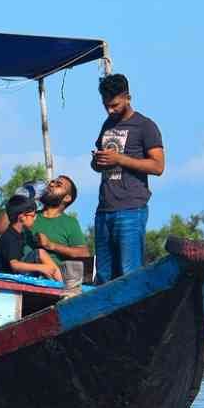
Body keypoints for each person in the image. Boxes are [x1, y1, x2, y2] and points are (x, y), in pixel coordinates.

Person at [91, 73, 165, 283]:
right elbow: (100, 163)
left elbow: (158, 166)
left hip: (131, 209)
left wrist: (119, 159)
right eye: (106, 105)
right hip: (104, 209)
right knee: (103, 275)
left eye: (114, 105)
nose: (110, 110)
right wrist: (97, 162)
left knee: (129, 273)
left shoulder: (145, 126)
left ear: (128, 97)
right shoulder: (107, 124)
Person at [0, 195, 63, 280]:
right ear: (22, 217)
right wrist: (41, 267)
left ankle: (60, 284)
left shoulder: (19, 235)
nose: (34, 219)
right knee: (40, 254)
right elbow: (15, 265)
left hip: (13, 275)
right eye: (32, 216)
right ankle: (60, 286)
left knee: (40, 253)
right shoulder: (10, 237)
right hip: (2, 277)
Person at [32, 176, 90, 266]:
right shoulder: (29, 215)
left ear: (67, 198)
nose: (51, 184)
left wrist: (51, 245)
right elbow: (1, 227)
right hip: (20, 276)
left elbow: (84, 253)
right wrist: (23, 196)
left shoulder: (70, 223)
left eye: (58, 185)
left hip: (53, 278)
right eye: (52, 182)